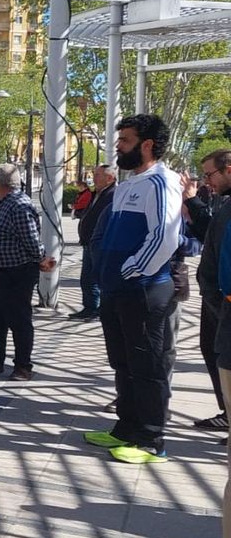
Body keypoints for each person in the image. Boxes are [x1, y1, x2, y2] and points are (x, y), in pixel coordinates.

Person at [86, 115, 182, 464]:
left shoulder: (161, 182)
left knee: (147, 365)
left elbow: (165, 236)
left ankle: (151, 439)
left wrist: (131, 269)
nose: (118, 145)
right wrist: (106, 271)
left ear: (147, 144)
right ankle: (125, 428)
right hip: (117, 289)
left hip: (143, 289)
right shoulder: (128, 184)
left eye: (125, 140)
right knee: (123, 362)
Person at [0, 165, 55, 382]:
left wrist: (41, 258)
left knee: (19, 319)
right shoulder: (7, 202)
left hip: (19, 272)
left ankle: (23, 366)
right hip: (3, 272)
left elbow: (31, 239)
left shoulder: (19, 205)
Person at [183, 154, 231, 431]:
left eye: (210, 175)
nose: (206, 181)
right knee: (215, 352)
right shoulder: (224, 201)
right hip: (216, 296)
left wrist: (193, 201)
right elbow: (210, 235)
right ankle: (226, 411)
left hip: (224, 297)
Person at [68, 165, 116, 321]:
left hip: (101, 244)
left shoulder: (113, 195)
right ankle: (89, 307)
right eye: (94, 174)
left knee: (98, 278)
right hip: (88, 242)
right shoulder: (96, 194)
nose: (93, 178)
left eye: (97, 175)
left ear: (109, 178)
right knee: (87, 278)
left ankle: (101, 310)